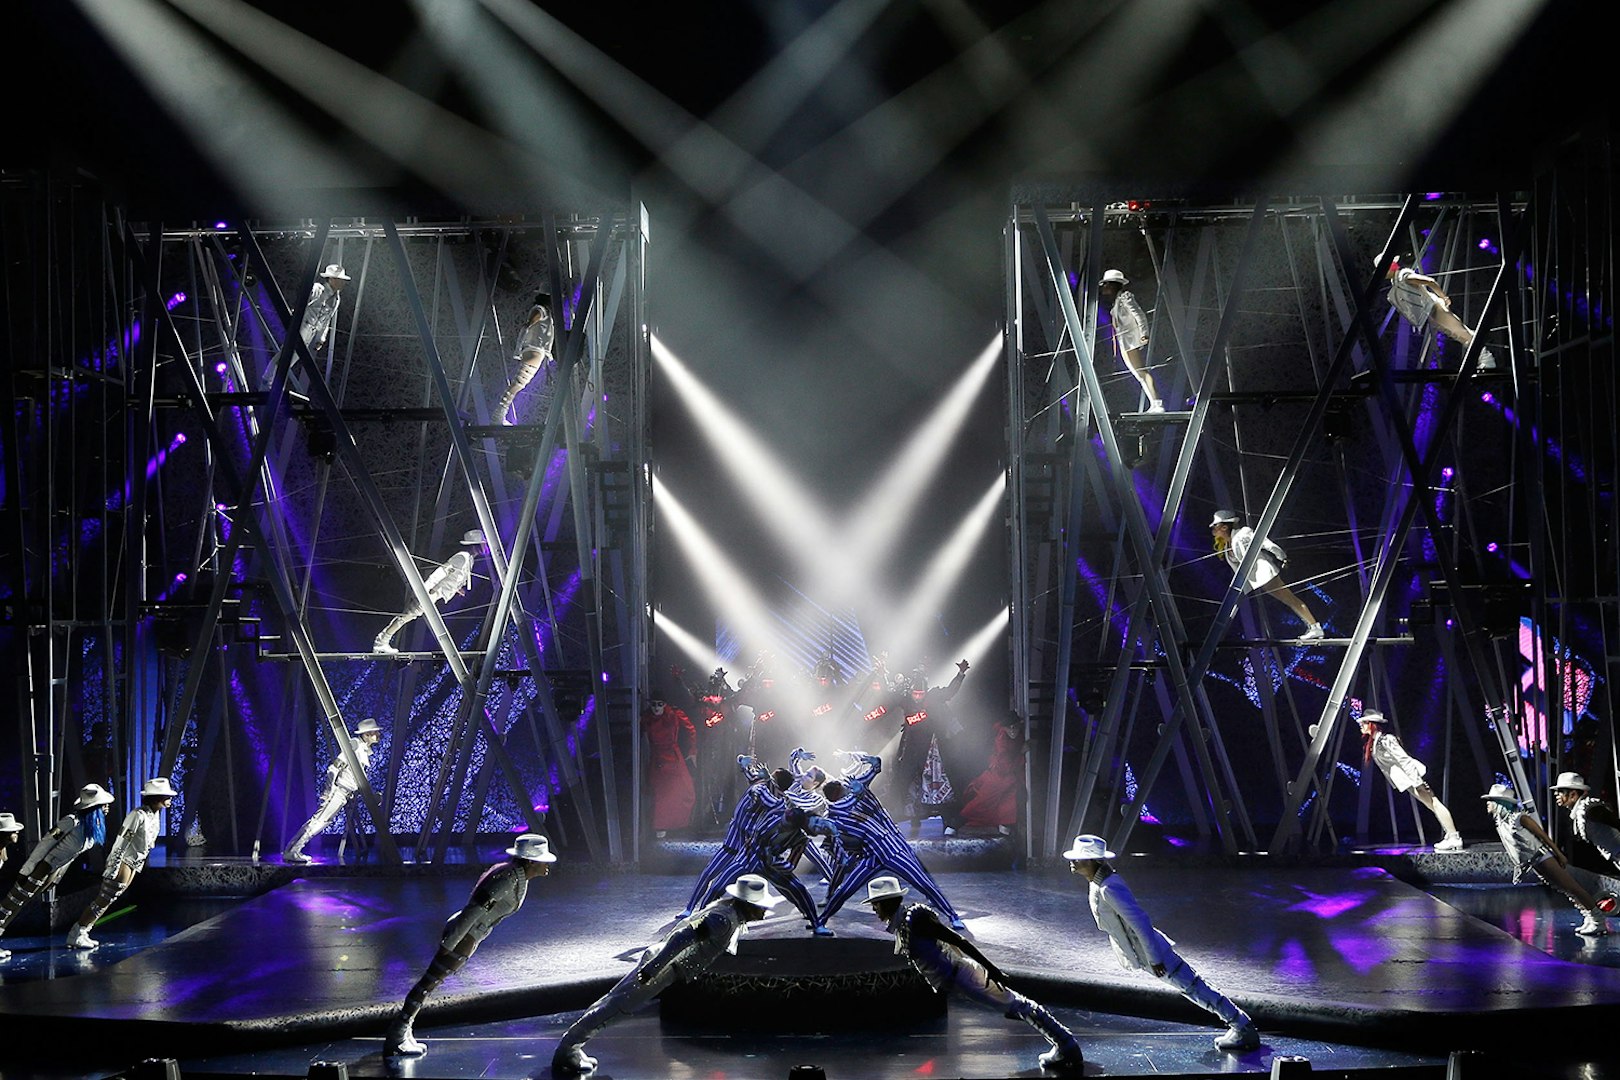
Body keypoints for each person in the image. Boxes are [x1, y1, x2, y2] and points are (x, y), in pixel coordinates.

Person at [552, 874, 782, 1075]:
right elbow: (682, 938)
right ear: (748, 905)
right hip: (663, 966)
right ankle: (568, 1048)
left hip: (665, 967)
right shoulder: (723, 920)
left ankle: (572, 1045)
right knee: (617, 1007)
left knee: (614, 1003)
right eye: (761, 906)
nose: (764, 911)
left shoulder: (728, 915)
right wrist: (653, 969)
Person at [864, 876, 1084, 1072]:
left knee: (1016, 1005)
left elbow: (959, 941)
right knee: (1014, 1005)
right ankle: (1065, 1044)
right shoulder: (905, 923)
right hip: (959, 979)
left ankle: (1066, 1044)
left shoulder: (917, 919)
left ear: (887, 902)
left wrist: (992, 969)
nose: (874, 909)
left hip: (963, 975)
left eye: (876, 904)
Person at [1064, 833, 1260, 1052]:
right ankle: (1239, 1024)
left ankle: (1241, 1026)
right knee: (1191, 987)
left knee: (1193, 987)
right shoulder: (1099, 885)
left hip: (1153, 952)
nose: (1073, 862)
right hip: (1146, 953)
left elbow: (1140, 923)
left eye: (1078, 858)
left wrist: (1155, 958)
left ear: (1092, 861)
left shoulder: (1108, 888)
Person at [387, 833, 558, 1056]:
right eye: (543, 860)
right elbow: (474, 910)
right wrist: (450, 944)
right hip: (463, 937)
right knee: (428, 983)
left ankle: (403, 1029)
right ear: (531, 861)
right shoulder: (507, 879)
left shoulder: (514, 877)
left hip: (469, 937)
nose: (547, 866)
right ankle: (399, 1032)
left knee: (430, 983)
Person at [820, 751, 964, 928]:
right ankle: (823, 915)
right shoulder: (839, 809)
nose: (846, 789)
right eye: (842, 790)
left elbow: (876, 767)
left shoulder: (855, 789)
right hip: (870, 852)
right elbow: (835, 821)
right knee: (845, 885)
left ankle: (950, 914)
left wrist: (868, 763)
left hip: (889, 841)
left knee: (920, 877)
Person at [0, 784, 114, 960]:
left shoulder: (89, 827)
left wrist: (57, 877)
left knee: (17, 906)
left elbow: (70, 855)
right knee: (11, 905)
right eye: (103, 805)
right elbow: (45, 844)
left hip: (54, 870)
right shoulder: (70, 822)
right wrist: (26, 870)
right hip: (41, 868)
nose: (107, 808)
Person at [1483, 783, 1610, 936]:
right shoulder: (1502, 823)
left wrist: (1559, 854)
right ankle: (1590, 918)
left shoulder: (1520, 818)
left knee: (1572, 887)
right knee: (1566, 890)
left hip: (1543, 858)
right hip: (1535, 862)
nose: (1488, 803)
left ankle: (1598, 920)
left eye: (1491, 800)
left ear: (1500, 803)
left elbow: (1543, 836)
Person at [66, 777, 176, 949]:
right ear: (157, 797)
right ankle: (78, 931)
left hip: (135, 863)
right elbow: (122, 841)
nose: (169, 799)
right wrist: (114, 865)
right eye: (166, 796)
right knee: (104, 899)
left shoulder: (154, 815)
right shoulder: (137, 815)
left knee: (109, 899)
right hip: (125, 860)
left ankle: (82, 931)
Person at [1355, 710, 1462, 851]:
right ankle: (1450, 834)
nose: (1361, 725)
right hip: (1407, 780)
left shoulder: (1386, 740)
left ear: (1372, 724)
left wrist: (1417, 781)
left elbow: (1404, 759)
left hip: (1413, 777)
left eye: (1364, 723)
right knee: (1432, 805)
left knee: (1434, 803)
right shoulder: (1376, 741)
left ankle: (1454, 836)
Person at [1209, 511, 1324, 641]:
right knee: (1287, 600)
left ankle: (1315, 627)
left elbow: (1264, 543)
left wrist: (1281, 556)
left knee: (1289, 599)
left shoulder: (1243, 533)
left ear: (1224, 527)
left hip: (1264, 573)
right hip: (1256, 580)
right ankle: (1313, 626)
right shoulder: (1227, 545)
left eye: (1215, 526)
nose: (1213, 529)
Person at [283, 718, 383, 864]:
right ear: (366, 734)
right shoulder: (355, 745)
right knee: (320, 821)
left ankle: (291, 849)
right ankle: (294, 850)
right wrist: (329, 791)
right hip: (338, 792)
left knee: (319, 820)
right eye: (375, 732)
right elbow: (333, 768)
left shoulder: (362, 750)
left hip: (344, 794)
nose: (378, 735)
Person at [374, 529, 484, 654]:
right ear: (474, 545)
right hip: (432, 591)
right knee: (408, 615)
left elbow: (454, 577)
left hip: (438, 594)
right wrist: (425, 590)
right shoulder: (462, 557)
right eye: (481, 544)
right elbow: (442, 571)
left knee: (409, 616)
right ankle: (381, 641)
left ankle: (382, 640)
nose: (484, 546)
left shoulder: (469, 559)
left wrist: (457, 589)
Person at [1384, 257, 1496, 370]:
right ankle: (1484, 358)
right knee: (1458, 335)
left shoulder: (1403, 276)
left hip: (1434, 307)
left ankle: (1487, 359)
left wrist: (1444, 297)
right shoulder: (1397, 282)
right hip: (1430, 312)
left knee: (1461, 332)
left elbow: (1430, 281)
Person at [1549, 773, 1620, 909]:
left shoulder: (1588, 808)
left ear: (1573, 794)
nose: (1556, 794)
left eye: (1560, 791)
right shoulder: (1582, 811)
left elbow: (1614, 821)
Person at [1099, 268, 1163, 413]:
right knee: (1138, 374)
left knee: (1141, 372)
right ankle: (1154, 404)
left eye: (1106, 284)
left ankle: (1157, 403)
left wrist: (1144, 333)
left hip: (1131, 340)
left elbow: (1139, 315)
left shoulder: (1125, 298)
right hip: (1125, 342)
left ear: (1113, 285)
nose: (1103, 287)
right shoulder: (1117, 302)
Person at [494, 292, 555, 424]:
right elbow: (527, 326)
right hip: (534, 351)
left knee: (519, 384)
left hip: (536, 352)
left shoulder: (547, 314)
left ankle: (499, 414)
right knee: (518, 384)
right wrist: (519, 348)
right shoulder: (541, 310)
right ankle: (498, 415)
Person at [644, 692, 697, 837]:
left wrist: (692, 750)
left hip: (673, 756)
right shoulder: (646, 718)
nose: (656, 708)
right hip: (658, 758)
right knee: (661, 793)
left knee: (686, 791)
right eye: (653, 704)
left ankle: (678, 824)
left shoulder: (674, 714)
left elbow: (691, 729)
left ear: (664, 705)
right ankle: (660, 826)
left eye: (659, 704)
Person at [300, 263, 351, 353]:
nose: (342, 283)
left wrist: (321, 338)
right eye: (339, 280)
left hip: (311, 331)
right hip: (302, 325)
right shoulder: (317, 289)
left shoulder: (336, 299)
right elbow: (302, 303)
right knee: (287, 352)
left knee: (295, 355)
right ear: (331, 279)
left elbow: (327, 320)